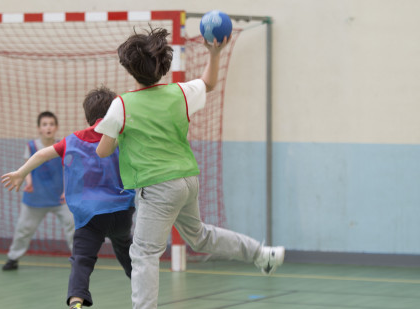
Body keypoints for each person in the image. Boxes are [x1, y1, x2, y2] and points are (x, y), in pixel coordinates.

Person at [95, 28, 285, 309]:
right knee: (199, 236)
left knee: (144, 253)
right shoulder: (180, 92)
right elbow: (208, 82)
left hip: (157, 186)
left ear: (130, 70)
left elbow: (103, 150)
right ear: (160, 66)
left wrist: (114, 133)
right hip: (187, 181)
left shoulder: (121, 105)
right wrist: (214, 53)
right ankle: (261, 253)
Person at [2, 87, 136, 309]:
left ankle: (76, 302)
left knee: (81, 260)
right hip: (121, 213)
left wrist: (21, 172)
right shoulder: (123, 137)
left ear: (87, 116)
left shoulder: (73, 140)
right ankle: (143, 287)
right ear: (115, 113)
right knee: (126, 250)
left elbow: (43, 154)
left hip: (91, 216)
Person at [2, 111, 75, 271]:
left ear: (56, 127)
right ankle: (13, 258)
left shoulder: (62, 145)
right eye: (44, 124)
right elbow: (26, 168)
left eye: (51, 124)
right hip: (35, 198)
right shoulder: (31, 146)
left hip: (60, 198)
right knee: (23, 229)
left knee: (73, 227)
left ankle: (78, 259)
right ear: (39, 128)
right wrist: (28, 182)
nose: (48, 127)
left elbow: (67, 170)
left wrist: (66, 190)